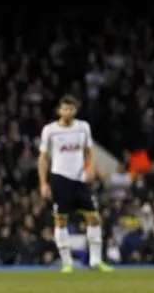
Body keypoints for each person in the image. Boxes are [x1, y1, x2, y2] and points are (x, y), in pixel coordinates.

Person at [38, 94, 113, 273]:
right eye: (65, 108)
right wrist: (43, 183)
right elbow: (43, 158)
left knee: (94, 217)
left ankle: (95, 262)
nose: (68, 111)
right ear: (59, 110)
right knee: (61, 220)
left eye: (71, 108)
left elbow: (90, 150)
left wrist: (91, 169)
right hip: (59, 178)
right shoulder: (50, 130)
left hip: (79, 179)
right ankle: (67, 263)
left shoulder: (83, 127)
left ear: (75, 110)